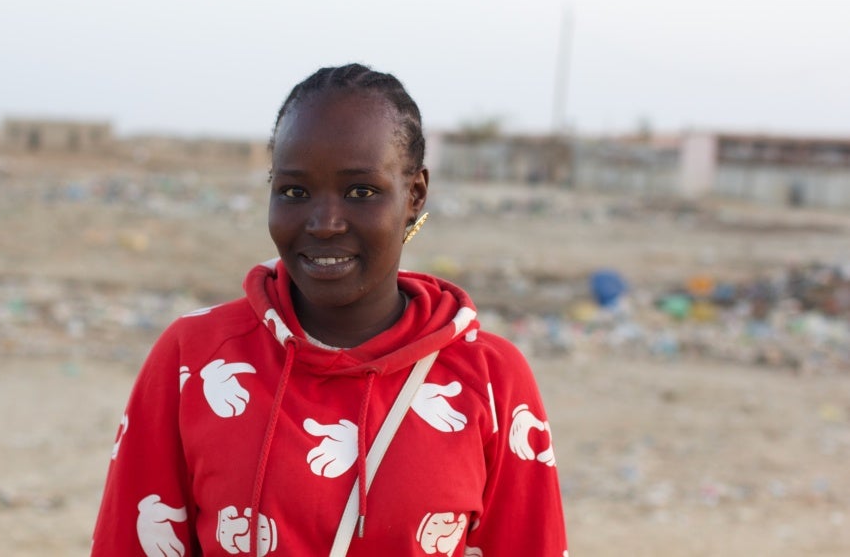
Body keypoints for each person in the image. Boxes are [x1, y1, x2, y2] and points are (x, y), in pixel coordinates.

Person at [90, 64, 568, 556]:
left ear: (415, 196)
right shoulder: (196, 359)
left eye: (361, 191)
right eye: (294, 191)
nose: (324, 223)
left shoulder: (490, 380)